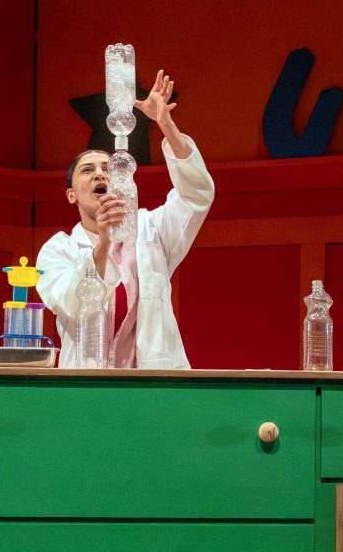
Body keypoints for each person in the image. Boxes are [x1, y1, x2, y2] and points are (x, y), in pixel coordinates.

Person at [36, 69, 214, 368]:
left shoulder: (151, 230)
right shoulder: (58, 251)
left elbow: (196, 196)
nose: (100, 174)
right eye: (87, 170)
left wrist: (165, 124)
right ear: (71, 195)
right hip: (87, 388)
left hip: (150, 385)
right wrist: (104, 240)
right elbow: (72, 301)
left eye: (107, 167)